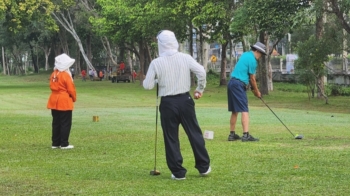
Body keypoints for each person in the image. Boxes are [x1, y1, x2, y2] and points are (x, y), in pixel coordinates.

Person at [143, 30, 211, 180]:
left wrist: (156, 81)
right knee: (194, 133)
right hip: (185, 100)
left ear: (160, 44)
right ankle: (204, 167)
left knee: (171, 137)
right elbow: (201, 72)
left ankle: (178, 172)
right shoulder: (185, 58)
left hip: (168, 103)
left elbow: (147, 86)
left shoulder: (156, 62)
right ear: (174, 42)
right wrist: (199, 89)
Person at [227, 42, 266, 142]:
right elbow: (252, 78)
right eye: (261, 53)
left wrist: (253, 90)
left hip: (231, 83)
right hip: (238, 84)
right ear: (257, 51)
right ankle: (246, 135)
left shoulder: (245, 55)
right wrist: (257, 92)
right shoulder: (253, 60)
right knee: (244, 109)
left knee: (235, 110)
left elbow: (246, 75)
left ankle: (232, 135)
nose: (260, 56)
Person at [47, 53, 76, 149]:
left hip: (54, 99)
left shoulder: (53, 73)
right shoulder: (65, 75)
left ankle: (55, 143)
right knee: (65, 122)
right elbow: (71, 89)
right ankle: (64, 143)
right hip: (64, 100)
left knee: (56, 122)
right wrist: (74, 97)